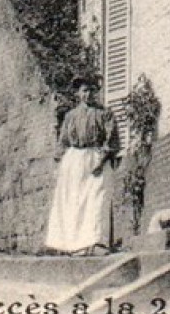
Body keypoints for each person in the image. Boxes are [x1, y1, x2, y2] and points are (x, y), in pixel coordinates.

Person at [44, 83, 117, 256]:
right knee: (75, 200)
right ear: (78, 93)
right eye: (84, 90)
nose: (88, 94)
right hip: (74, 160)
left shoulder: (105, 114)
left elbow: (112, 140)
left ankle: (98, 242)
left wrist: (101, 160)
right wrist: (60, 161)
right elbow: (63, 141)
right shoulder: (70, 116)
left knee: (98, 199)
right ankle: (76, 245)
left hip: (96, 156)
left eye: (91, 90)